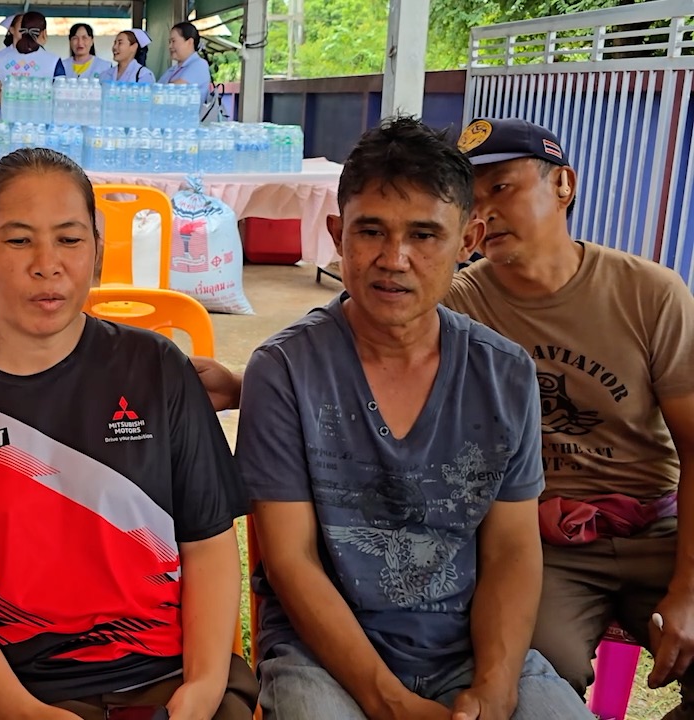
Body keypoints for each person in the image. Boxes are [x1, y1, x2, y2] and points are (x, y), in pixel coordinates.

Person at [0, 148, 256, 720]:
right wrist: (20, 712)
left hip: (164, 673)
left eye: (69, 239)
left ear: (96, 249)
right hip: (7, 688)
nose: (46, 264)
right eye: (18, 240)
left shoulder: (158, 369)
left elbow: (210, 545)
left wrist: (201, 687)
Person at [237, 117, 590, 719]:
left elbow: (511, 550)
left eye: (424, 235)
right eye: (370, 230)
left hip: (465, 649)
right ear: (337, 234)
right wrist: (390, 701)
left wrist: (496, 686)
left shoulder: (504, 374)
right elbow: (290, 560)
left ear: (469, 239)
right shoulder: (285, 370)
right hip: (322, 656)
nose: (394, 259)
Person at [448, 117, 694, 718]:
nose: (484, 213)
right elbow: (358, 352)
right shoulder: (459, 302)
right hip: (540, 542)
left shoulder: (649, 294)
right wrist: (251, 383)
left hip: (658, 528)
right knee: (525, 677)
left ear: (564, 184)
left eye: (501, 188)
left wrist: (689, 589)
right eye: (468, 200)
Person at [0, 11, 64, 118]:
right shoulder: (54, 61)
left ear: (21, 30)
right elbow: (61, 99)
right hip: (42, 126)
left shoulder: (0, 61)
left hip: (10, 125)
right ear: (44, 33)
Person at [158, 21, 211, 91]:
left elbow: (174, 90)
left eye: (173, 41)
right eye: (169, 42)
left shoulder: (200, 65)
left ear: (189, 42)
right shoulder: (172, 69)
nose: (170, 46)